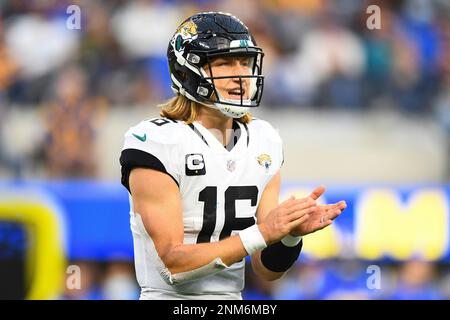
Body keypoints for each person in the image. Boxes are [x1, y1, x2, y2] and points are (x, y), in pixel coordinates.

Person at [120, 12, 346, 300]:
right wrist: (264, 232)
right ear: (188, 71)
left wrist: (289, 236)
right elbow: (173, 265)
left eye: (245, 62)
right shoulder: (156, 141)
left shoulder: (264, 140)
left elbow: (266, 270)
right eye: (225, 63)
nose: (240, 74)